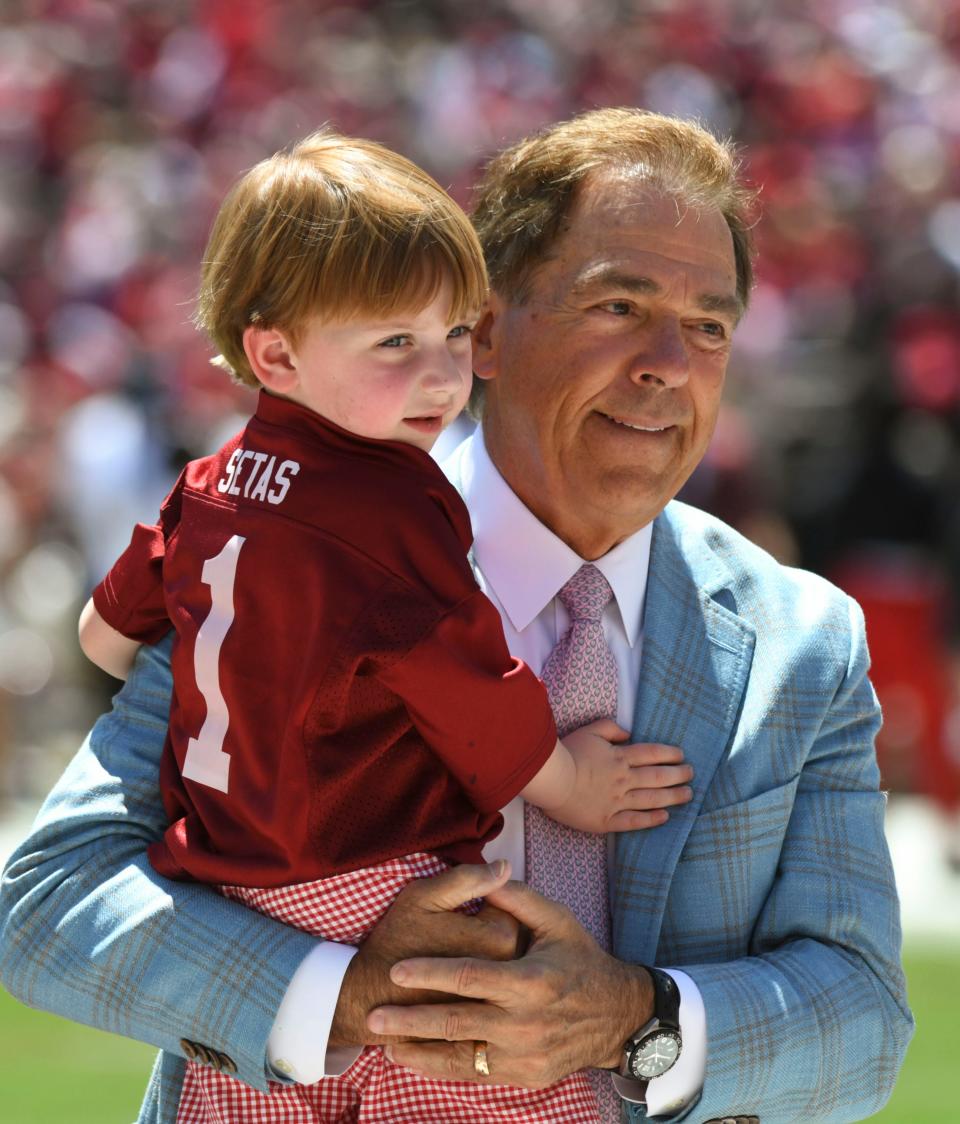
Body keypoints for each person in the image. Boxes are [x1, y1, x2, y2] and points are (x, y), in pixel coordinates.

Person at [0, 107, 913, 1124]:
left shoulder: (804, 641)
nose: (670, 361)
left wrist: (629, 1017)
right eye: (619, 304)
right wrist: (345, 993)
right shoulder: (290, 546)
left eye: (710, 324)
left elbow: (865, 1022)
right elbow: (50, 904)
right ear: (484, 330)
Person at [74, 129, 693, 1123]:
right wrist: (575, 782)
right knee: (512, 1062)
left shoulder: (213, 475)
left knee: (244, 1095)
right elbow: (470, 691)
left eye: (456, 337)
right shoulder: (391, 507)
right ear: (275, 350)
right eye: (395, 344)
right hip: (365, 870)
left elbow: (107, 630)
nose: (443, 378)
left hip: (230, 886)